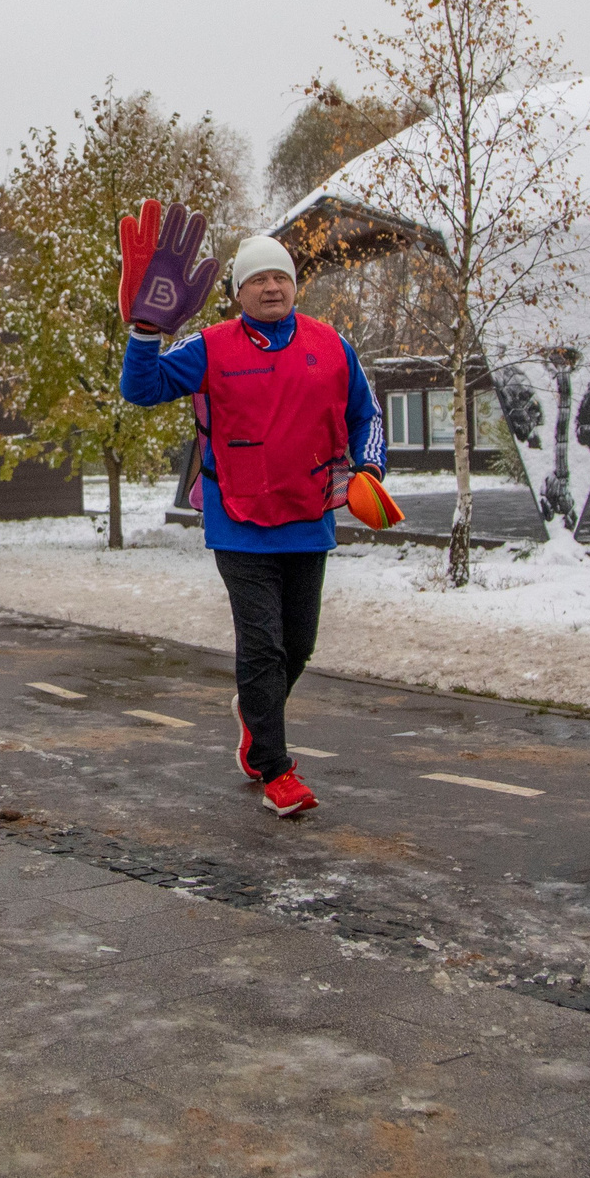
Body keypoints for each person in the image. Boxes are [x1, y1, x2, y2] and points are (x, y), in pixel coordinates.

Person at [119, 230, 388, 818]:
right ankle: (275, 769)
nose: (271, 286)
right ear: (240, 291)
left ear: (294, 285)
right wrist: (144, 332)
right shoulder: (209, 347)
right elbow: (140, 389)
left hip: (308, 515)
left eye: (280, 277)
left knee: (300, 643)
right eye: (258, 279)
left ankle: (253, 713)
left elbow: (367, 416)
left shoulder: (332, 345)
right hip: (237, 517)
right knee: (262, 644)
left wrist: (371, 468)